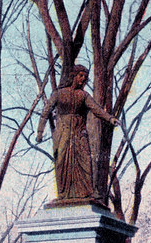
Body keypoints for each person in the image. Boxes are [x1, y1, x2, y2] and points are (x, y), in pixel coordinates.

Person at [35, 65, 118, 204]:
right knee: (62, 162)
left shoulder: (84, 96)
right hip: (63, 134)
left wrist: (110, 118)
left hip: (79, 133)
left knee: (85, 162)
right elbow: (46, 111)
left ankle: (85, 194)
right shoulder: (59, 93)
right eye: (80, 76)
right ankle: (64, 195)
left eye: (85, 77)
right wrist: (39, 132)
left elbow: (96, 109)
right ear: (73, 76)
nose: (83, 79)